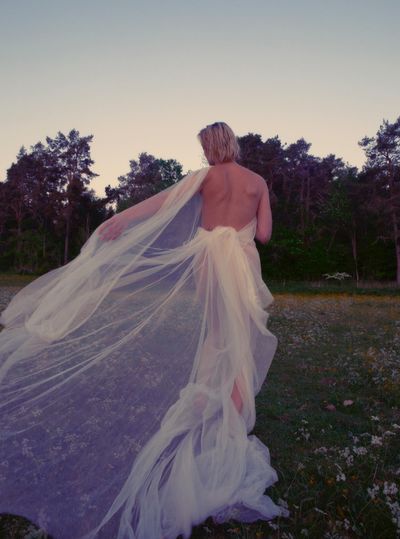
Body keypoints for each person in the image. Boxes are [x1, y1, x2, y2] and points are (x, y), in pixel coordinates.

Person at [0, 121, 290, 538]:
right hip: (241, 264)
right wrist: (246, 222)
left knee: (216, 337)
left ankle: (212, 410)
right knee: (239, 340)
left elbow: (163, 202)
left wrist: (121, 218)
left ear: (210, 147)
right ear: (233, 143)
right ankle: (229, 424)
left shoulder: (205, 177)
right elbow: (263, 235)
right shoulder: (258, 182)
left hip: (208, 260)